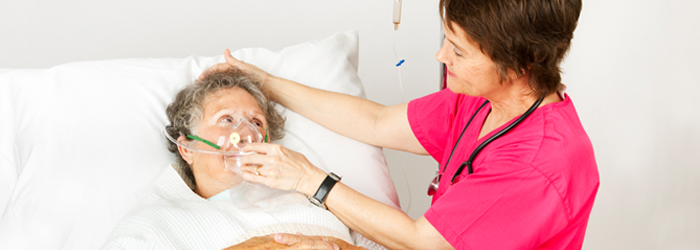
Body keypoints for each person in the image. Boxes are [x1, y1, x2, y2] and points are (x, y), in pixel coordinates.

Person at [200, 0, 599, 249]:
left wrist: (308, 179)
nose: (442, 56)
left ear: (521, 62)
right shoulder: (480, 101)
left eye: (459, 50)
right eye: (446, 39)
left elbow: (424, 242)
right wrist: (267, 84)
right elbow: (374, 121)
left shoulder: (539, 164)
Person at [101, 69, 374, 250]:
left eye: (256, 121)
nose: (245, 132)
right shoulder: (159, 220)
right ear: (187, 149)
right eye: (227, 119)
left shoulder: (314, 199)